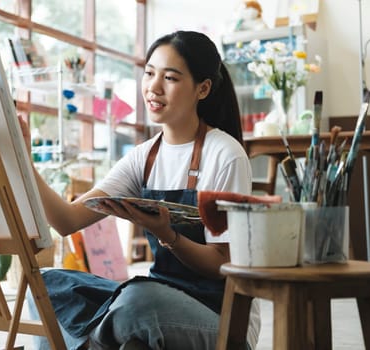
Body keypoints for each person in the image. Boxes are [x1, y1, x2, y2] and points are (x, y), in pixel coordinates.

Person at [22, 30, 259, 350]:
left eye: (170, 78)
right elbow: (66, 221)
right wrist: (24, 161)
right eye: (149, 73)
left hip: (220, 315)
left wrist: (169, 236)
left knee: (136, 301)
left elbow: (221, 264)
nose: (154, 87)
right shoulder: (143, 156)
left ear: (202, 89)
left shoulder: (225, 155)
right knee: (46, 284)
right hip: (159, 300)